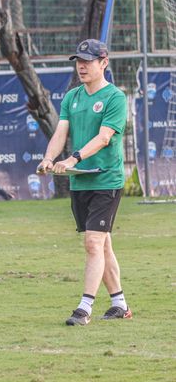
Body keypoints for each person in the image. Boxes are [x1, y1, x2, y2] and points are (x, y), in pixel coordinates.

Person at [37, 39, 131, 326]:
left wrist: (73, 159)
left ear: (104, 62)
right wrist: (48, 158)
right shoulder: (72, 97)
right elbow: (61, 132)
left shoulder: (115, 98)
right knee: (102, 246)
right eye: (78, 60)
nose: (81, 65)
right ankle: (120, 305)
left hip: (106, 180)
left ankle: (84, 308)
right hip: (80, 183)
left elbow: (104, 138)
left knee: (93, 243)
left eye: (88, 60)